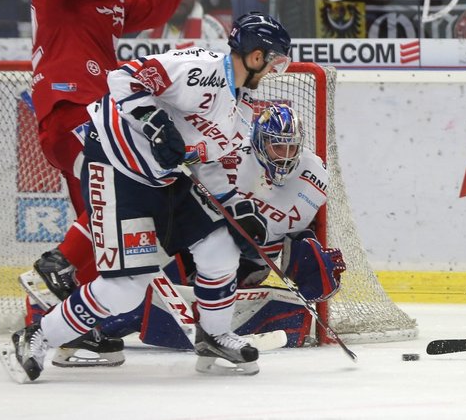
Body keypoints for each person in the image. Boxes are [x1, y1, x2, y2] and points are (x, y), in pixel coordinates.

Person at [0, 11, 292, 383]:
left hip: (165, 180)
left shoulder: (241, 108)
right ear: (255, 56)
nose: (273, 71)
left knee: (221, 248)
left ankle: (214, 335)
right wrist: (155, 124)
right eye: (274, 61)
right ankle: (36, 336)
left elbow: (207, 162)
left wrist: (236, 205)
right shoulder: (199, 67)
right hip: (116, 167)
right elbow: (122, 78)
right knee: (124, 290)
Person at [24, 0, 228, 361]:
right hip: (71, 107)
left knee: (103, 224)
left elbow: (148, 10)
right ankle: (59, 260)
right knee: (128, 188)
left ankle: (61, 326)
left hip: (94, 118)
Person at [90, 104, 347, 353]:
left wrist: (310, 262)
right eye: (277, 145)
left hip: (250, 265)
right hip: (200, 246)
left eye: (291, 147)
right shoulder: (231, 154)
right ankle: (92, 325)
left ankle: (217, 321)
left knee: (309, 265)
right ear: (258, 142)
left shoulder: (314, 174)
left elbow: (295, 233)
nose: (285, 155)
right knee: (143, 294)